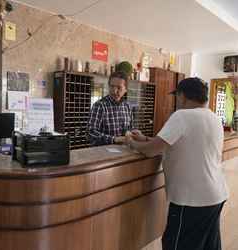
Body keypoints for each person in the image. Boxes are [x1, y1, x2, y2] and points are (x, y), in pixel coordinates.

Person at [126, 77, 228, 250]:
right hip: (216, 195)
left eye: (177, 97)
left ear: (182, 96)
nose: (177, 102)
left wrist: (131, 142)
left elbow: (151, 150)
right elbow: (182, 142)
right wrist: (146, 138)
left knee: (176, 245)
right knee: (207, 246)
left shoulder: (182, 116)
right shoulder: (214, 117)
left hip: (192, 200)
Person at [88, 71, 132, 146]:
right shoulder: (99, 106)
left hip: (123, 150)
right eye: (112, 86)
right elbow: (90, 133)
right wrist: (114, 139)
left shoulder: (127, 106)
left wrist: (130, 132)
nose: (114, 91)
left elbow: (130, 128)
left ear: (126, 89)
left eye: (119, 87)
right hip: (103, 152)